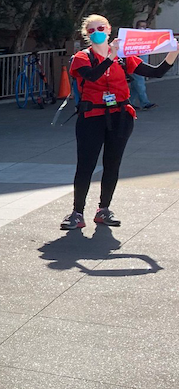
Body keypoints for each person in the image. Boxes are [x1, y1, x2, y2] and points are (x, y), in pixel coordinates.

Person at [61, 14, 177, 230]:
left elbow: (156, 72)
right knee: (85, 165)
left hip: (120, 115)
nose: (97, 33)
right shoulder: (81, 58)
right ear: (87, 35)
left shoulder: (123, 57)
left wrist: (173, 52)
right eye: (92, 30)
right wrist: (109, 56)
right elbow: (93, 76)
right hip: (91, 118)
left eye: (101, 28)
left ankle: (103, 209)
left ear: (109, 29)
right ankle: (77, 212)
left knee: (112, 164)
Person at [127, 20, 159, 111]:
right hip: (135, 65)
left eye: (144, 26)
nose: (143, 29)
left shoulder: (146, 38)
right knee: (140, 84)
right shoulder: (134, 39)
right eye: (141, 26)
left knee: (135, 86)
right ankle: (145, 103)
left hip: (143, 65)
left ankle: (129, 103)